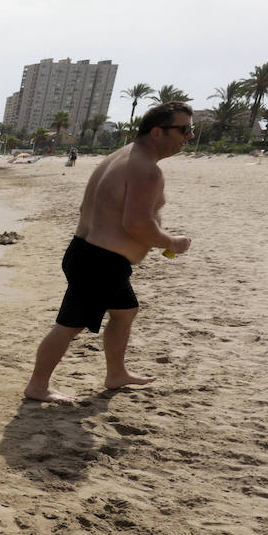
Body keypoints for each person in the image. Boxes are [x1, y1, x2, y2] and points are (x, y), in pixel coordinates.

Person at [24, 102, 195, 403]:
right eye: (184, 130)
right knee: (68, 326)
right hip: (100, 262)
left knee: (125, 312)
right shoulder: (147, 170)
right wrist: (172, 242)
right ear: (157, 132)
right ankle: (37, 386)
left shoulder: (121, 156)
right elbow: (137, 225)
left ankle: (116, 373)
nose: (188, 136)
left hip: (90, 254)